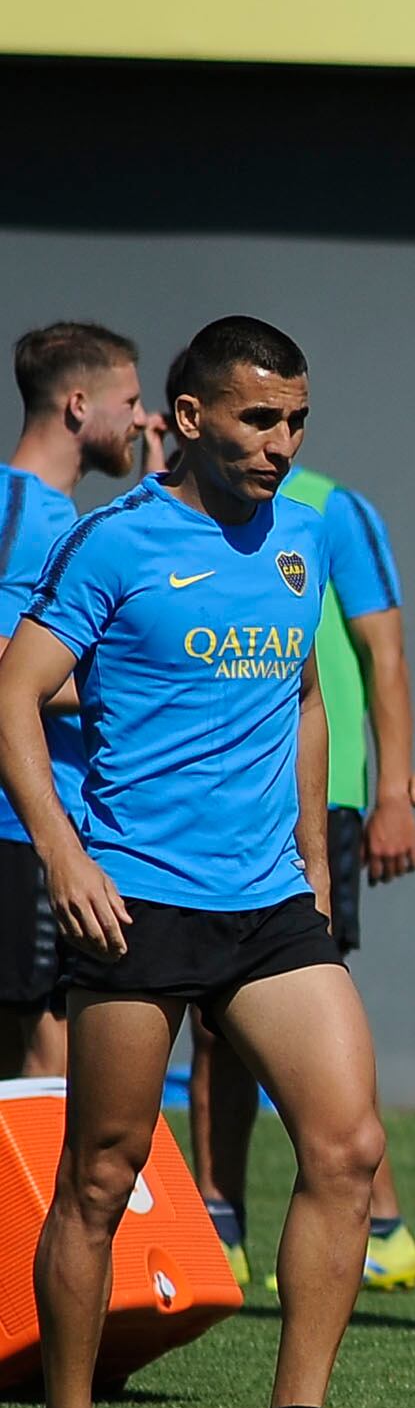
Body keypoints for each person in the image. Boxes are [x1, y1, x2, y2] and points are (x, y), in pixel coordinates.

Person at [6, 316, 397, 1408]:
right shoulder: (113, 541)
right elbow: (13, 697)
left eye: (296, 422)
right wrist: (65, 858)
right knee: (102, 1180)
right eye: (257, 420)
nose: (282, 445)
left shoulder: (307, 534)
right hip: (138, 900)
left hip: (268, 901)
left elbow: (300, 698)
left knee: (347, 1149)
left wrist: (318, 869)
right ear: (186, 419)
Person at [190, 464, 415, 1294]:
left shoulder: (331, 510)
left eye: (285, 416)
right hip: (204, 808)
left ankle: (380, 1220)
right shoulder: (156, 519)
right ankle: (221, 1224)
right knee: (212, 1021)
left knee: (311, 1006)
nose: (277, 436)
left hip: (320, 800)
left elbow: (384, 653)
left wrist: (393, 792)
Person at [1, 322, 145, 1079]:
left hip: (50, 827)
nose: (142, 420)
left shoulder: (66, 517)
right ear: (80, 405)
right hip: (24, 827)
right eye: (131, 401)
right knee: (48, 1047)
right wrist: (140, 685)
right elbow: (6, 670)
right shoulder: (33, 515)